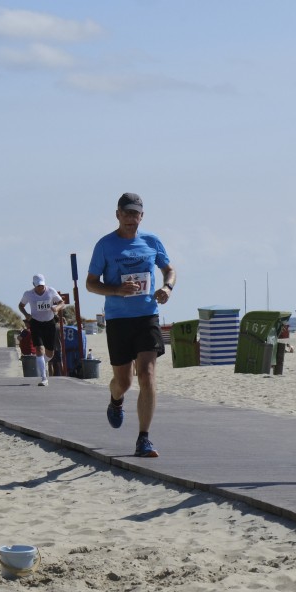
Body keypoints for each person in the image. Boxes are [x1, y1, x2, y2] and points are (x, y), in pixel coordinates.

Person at [86, 192, 176, 458]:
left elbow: (169, 270)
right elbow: (91, 283)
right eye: (125, 213)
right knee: (123, 382)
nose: (130, 218)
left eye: (134, 213)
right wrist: (116, 290)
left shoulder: (151, 241)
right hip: (118, 319)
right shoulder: (105, 245)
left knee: (147, 375)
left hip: (147, 315)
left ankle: (143, 438)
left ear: (141, 216)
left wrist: (167, 288)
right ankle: (116, 400)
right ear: (117, 215)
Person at [18, 274, 66, 386]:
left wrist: (56, 308)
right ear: (34, 285)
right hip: (36, 323)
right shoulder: (28, 294)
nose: (40, 288)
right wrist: (26, 315)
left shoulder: (51, 291)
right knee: (39, 349)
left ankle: (41, 362)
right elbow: (21, 305)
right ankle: (44, 378)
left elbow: (62, 303)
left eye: (42, 285)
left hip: (49, 323)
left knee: (50, 353)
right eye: (38, 286)